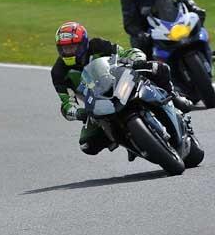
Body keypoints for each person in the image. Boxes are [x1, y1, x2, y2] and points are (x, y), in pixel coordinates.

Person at [52, 22, 192, 159]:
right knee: (88, 145)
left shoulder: (98, 45)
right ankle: (130, 142)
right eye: (65, 48)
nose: (68, 51)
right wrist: (77, 113)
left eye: (72, 47)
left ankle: (174, 97)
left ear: (83, 43)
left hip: (119, 83)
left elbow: (123, 52)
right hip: (96, 102)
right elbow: (66, 102)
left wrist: (136, 58)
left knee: (159, 68)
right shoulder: (59, 72)